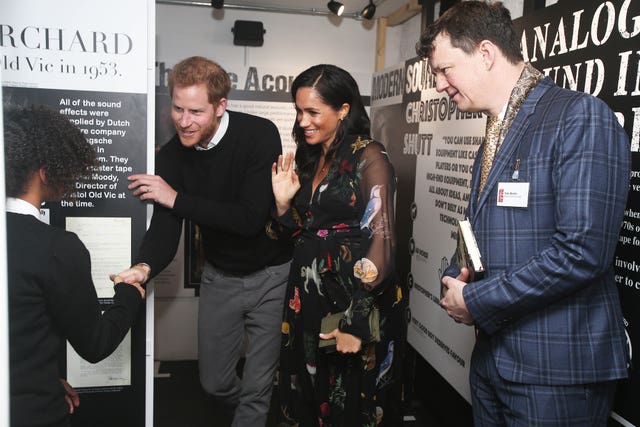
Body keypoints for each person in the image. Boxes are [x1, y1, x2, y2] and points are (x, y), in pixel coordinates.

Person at [416, 1, 631, 425]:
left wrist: (475, 300)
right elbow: (483, 231)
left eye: (444, 70)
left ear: (485, 53)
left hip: (554, 371)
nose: (439, 85)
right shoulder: (494, 134)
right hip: (493, 362)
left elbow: (582, 252)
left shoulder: (578, 116)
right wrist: (459, 275)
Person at [112, 56, 291, 426]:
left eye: (195, 111)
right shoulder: (175, 153)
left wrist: (175, 196)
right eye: (177, 108)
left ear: (220, 106)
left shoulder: (259, 134)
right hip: (220, 278)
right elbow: (165, 223)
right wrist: (144, 267)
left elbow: (248, 219)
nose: (183, 120)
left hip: (272, 278)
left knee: (257, 390)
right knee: (214, 384)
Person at [272, 64, 405, 426]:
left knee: (347, 402)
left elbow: (382, 240)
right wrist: (283, 205)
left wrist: (354, 321)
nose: (303, 121)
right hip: (308, 296)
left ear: (343, 110)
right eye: (299, 111)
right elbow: (298, 233)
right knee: (310, 396)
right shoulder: (309, 157)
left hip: (350, 300)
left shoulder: (370, 156)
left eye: (313, 112)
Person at [5, 105, 145, 427]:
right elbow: (95, 344)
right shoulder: (57, 247)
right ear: (44, 171)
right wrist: (128, 295)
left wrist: (48, 381)